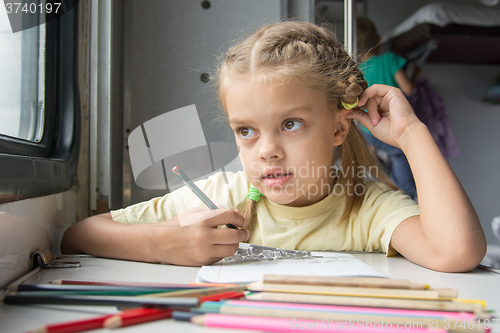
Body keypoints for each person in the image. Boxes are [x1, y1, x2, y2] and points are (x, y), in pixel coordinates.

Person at [61, 21, 486, 272]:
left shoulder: (366, 207)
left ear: (340, 128)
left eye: (290, 124)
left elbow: (458, 251)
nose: (267, 151)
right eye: (246, 130)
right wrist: (163, 243)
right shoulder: (221, 197)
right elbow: (78, 236)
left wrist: (413, 135)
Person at [357, 17, 419, 198]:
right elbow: (408, 89)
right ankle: (406, 193)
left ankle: (376, 182)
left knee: (374, 155)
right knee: (399, 153)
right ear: (378, 39)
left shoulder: (358, 69)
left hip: (368, 129)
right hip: (388, 123)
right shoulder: (390, 59)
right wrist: (415, 74)